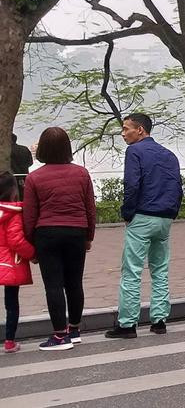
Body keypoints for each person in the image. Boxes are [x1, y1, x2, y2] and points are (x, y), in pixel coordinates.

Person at [106, 114, 182, 339]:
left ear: (140, 130)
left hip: (142, 216)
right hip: (165, 218)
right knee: (160, 269)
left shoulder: (134, 152)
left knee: (132, 270)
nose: (122, 133)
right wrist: (172, 212)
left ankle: (127, 324)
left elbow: (132, 184)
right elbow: (177, 186)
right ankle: (159, 320)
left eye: (125, 128)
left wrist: (127, 213)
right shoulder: (169, 155)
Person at [24, 127, 96, 349]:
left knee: (53, 285)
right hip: (76, 232)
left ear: (43, 150)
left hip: (47, 234)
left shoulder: (34, 178)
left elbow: (30, 215)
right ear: (67, 148)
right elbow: (90, 208)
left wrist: (31, 244)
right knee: (75, 283)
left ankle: (59, 336)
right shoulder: (82, 173)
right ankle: (74, 329)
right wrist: (88, 236)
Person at [0, 173, 33, 353]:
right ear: (14, 192)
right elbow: (16, 241)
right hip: (9, 265)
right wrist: (33, 254)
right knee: (11, 303)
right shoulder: (13, 214)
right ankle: (9, 341)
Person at [10, 134, 31, 198]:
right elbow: (31, 162)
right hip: (25, 175)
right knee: (25, 194)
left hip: (12, 177)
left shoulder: (8, 150)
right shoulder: (25, 149)